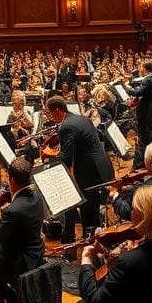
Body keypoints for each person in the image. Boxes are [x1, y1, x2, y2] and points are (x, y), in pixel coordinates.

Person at [0, 156, 45, 303]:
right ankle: (8, 298)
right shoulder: (37, 196)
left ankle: (9, 297)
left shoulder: (13, 211)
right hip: (35, 253)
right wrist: (11, 199)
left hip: (22, 261)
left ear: (12, 179)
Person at [45, 95, 113, 249]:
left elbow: (66, 158)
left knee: (86, 204)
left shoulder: (66, 126)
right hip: (101, 164)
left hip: (89, 170)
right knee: (91, 205)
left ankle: (90, 243)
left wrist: (48, 154)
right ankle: (90, 239)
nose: (50, 117)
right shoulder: (80, 118)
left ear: (57, 110)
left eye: (50, 113)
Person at [126, 60, 152, 168]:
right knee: (150, 130)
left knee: (146, 133)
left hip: (147, 109)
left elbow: (139, 92)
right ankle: (151, 155)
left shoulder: (150, 78)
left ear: (145, 68)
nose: (139, 69)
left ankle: (148, 158)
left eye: (140, 67)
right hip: (151, 107)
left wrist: (127, 88)